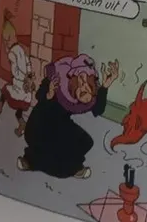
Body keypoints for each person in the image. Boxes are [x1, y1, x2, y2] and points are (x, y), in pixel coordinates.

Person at [20, 52, 120, 180]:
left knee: (85, 142)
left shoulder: (86, 95)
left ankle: (70, 167)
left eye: (87, 83)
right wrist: (49, 95)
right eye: (80, 82)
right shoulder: (57, 80)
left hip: (61, 123)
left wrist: (105, 86)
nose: (84, 87)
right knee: (49, 145)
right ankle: (31, 161)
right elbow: (40, 96)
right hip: (40, 122)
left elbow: (98, 110)